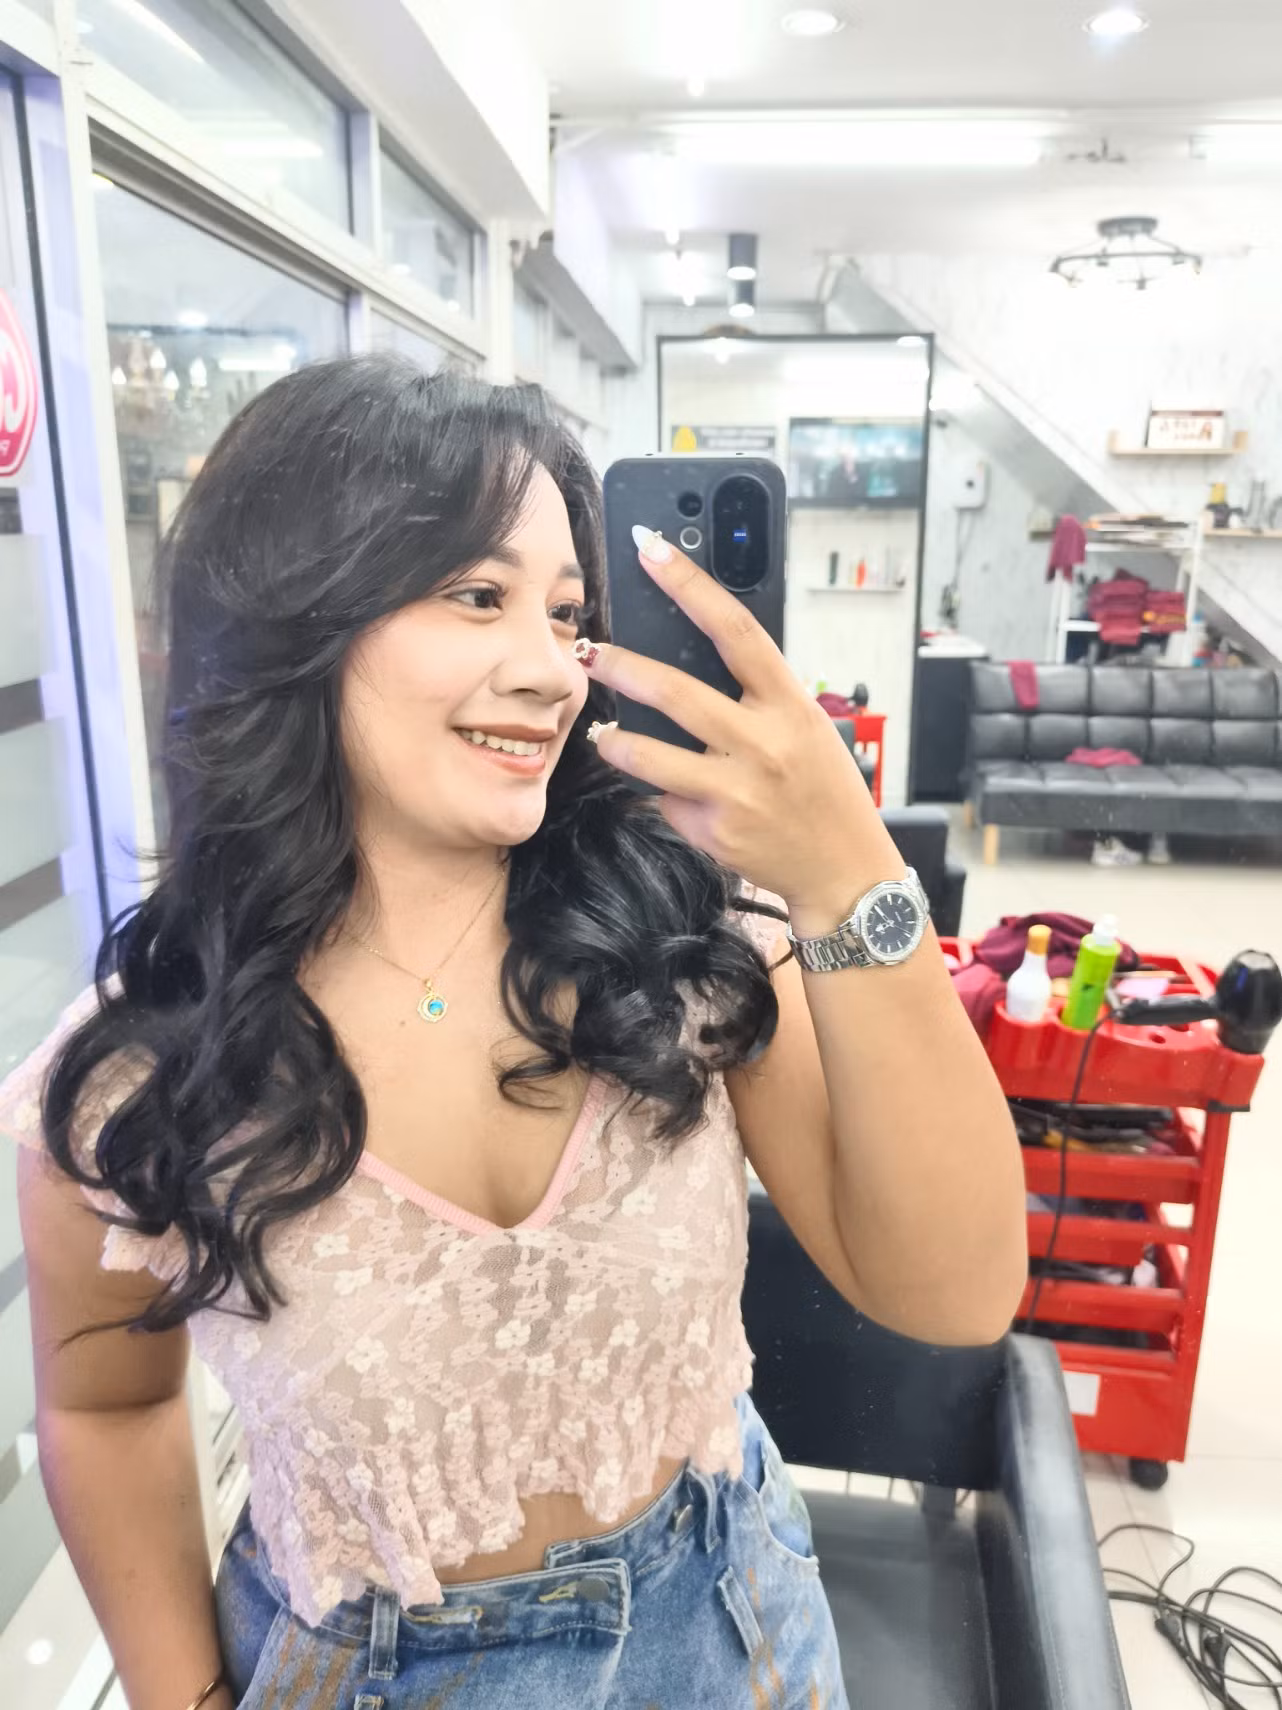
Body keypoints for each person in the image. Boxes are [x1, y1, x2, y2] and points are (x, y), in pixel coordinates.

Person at [2, 356, 1026, 1710]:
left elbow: (956, 1293)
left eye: (568, 613)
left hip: (739, 1629)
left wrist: (849, 869)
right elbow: (107, 1403)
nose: (550, 671)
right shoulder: (143, 1074)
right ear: (295, 617)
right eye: (478, 596)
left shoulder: (685, 943)